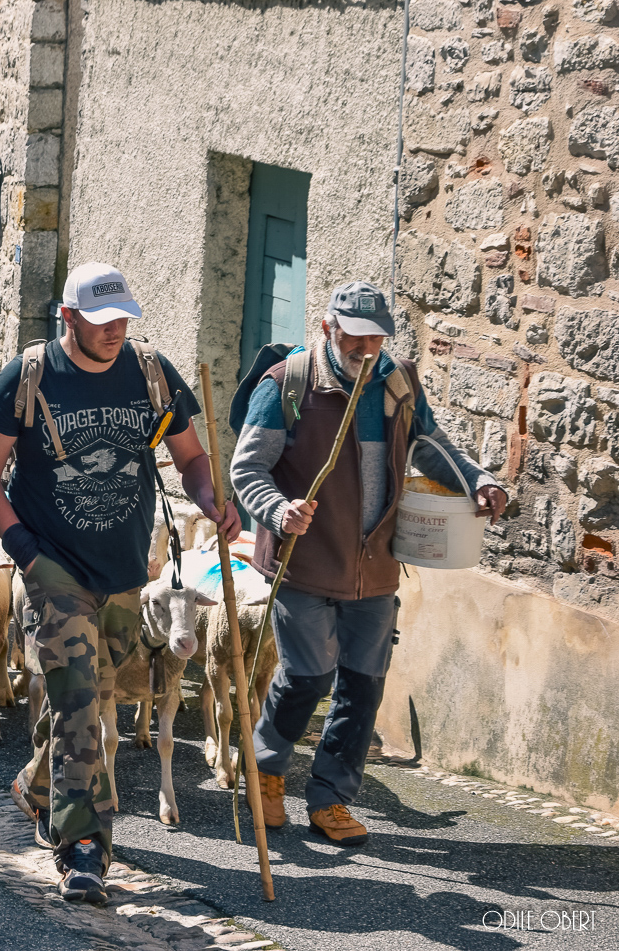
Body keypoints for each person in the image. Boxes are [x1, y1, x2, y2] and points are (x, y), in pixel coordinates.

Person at [0, 263, 240, 906]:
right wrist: (27, 555)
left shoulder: (151, 374)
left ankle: (38, 785)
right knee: (82, 702)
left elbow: (192, 459)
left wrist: (210, 499)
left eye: (122, 318)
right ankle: (85, 848)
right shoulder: (28, 378)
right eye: (100, 321)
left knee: (89, 699)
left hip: (123, 570)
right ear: (68, 318)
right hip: (53, 568)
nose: (114, 330)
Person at [231, 282, 506, 846]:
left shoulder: (397, 381)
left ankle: (330, 798)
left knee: (363, 685)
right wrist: (278, 511)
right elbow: (247, 469)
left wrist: (476, 480)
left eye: (376, 338)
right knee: (308, 677)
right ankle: (267, 769)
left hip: (376, 565)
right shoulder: (286, 384)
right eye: (355, 337)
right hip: (304, 561)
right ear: (328, 328)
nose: (366, 348)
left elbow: (430, 446)